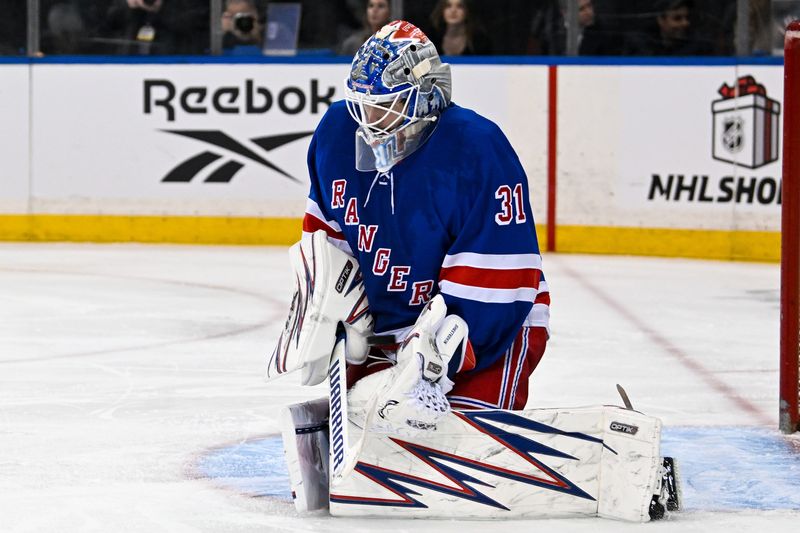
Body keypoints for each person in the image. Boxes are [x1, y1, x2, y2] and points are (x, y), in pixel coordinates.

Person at [300, 20, 549, 412]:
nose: (370, 122)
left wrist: (438, 362)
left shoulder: (477, 149)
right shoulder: (336, 134)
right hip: (383, 327)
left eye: (385, 107)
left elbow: (500, 277)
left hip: (487, 325)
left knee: (461, 445)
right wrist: (332, 317)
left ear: (428, 95)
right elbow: (326, 242)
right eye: (363, 105)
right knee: (370, 440)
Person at [624, 0, 712, 56]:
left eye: (687, 17)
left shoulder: (697, 47)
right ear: (661, 20)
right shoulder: (641, 45)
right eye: (677, 18)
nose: (685, 23)